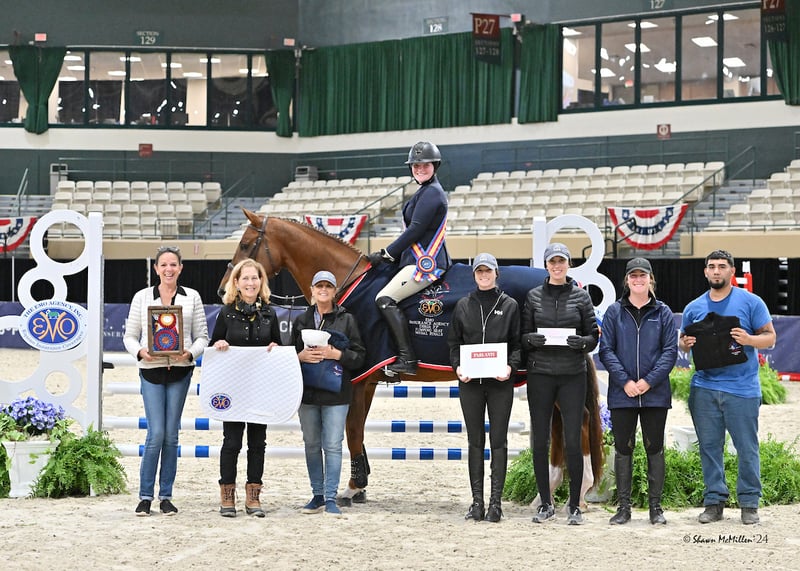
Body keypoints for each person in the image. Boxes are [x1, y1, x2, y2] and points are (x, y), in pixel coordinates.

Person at [679, 250, 776, 525]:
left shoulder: (751, 302)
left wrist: (748, 339)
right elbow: (683, 341)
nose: (716, 271)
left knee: (747, 448)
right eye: (712, 267)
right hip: (704, 388)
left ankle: (749, 503)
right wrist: (684, 345)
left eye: (722, 266)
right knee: (709, 448)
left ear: (731, 271)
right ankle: (714, 501)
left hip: (742, 390)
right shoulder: (693, 307)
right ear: (705, 272)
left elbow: (770, 338)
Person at [124, 245, 209, 517]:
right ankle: (145, 496)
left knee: (171, 436)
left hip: (181, 371)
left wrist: (190, 353)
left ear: (180, 268)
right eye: (164, 265)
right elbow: (129, 336)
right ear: (156, 268)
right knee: (156, 434)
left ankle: (166, 496)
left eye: (174, 264)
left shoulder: (191, 297)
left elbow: (202, 337)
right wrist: (140, 351)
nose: (169, 269)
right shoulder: (141, 297)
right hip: (151, 370)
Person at [521, 242, 599, 526]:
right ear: (546, 265)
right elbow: (523, 335)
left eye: (561, 261)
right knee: (540, 440)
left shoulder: (581, 297)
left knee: (572, 440)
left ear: (568, 265)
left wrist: (584, 343)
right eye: (552, 262)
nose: (557, 266)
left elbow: (593, 335)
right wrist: (530, 340)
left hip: (572, 375)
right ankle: (545, 502)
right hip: (540, 375)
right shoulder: (533, 297)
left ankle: (574, 505)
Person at [599, 257, 677, 525]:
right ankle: (623, 507)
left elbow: (670, 352)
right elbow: (606, 351)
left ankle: (656, 508)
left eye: (643, 276)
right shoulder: (613, 312)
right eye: (633, 276)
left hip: (655, 394)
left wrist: (648, 382)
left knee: (655, 448)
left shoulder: (663, 313)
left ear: (651, 279)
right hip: (623, 394)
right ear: (627, 280)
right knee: (624, 448)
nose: (638, 280)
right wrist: (626, 382)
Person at [447, 253, 521, 523]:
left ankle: (496, 503)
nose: (483, 275)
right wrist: (458, 367)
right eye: (479, 271)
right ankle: (477, 502)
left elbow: (517, 344)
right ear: (474, 275)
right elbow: (454, 343)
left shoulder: (510, 305)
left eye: (487, 271)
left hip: (500, 383)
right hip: (471, 384)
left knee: (498, 441)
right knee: (475, 442)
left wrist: (510, 367)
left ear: (496, 273)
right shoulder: (463, 305)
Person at [367, 141, 451, 374]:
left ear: (435, 165)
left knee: (384, 298)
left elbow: (414, 230)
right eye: (415, 165)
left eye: (424, 165)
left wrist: (387, 253)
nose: (419, 169)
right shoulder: (424, 191)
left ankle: (408, 358)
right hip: (412, 259)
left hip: (427, 264)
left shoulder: (432, 193)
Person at [210, 258, 282, 518]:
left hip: (260, 389)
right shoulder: (226, 312)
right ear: (237, 283)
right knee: (231, 443)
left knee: (257, 443)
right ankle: (227, 495)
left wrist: (276, 348)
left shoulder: (270, 313)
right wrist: (218, 344)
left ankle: (254, 496)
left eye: (255, 278)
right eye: (246, 278)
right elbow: (213, 343)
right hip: (233, 390)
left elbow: (278, 344)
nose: (251, 282)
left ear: (261, 281)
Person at [292, 270, 366, 517]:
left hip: (336, 394)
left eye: (328, 286)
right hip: (307, 393)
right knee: (312, 445)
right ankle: (317, 496)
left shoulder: (348, 320)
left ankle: (331, 497)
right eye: (319, 285)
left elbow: (360, 357)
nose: (323, 289)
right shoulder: (301, 321)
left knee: (333, 445)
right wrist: (299, 356)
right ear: (311, 290)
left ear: (335, 291)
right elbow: (287, 356)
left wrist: (338, 355)